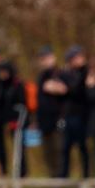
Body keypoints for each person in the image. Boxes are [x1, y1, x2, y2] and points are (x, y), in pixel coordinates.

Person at [0, 60, 27, 175]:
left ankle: (21, 172)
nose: (3, 75)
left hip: (15, 119)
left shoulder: (17, 84)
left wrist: (16, 119)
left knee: (18, 147)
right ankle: (2, 170)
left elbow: (22, 104)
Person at [58, 46, 89, 178]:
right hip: (69, 115)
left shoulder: (86, 72)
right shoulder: (65, 73)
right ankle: (64, 176)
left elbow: (76, 90)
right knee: (65, 147)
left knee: (83, 147)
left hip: (82, 115)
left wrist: (68, 89)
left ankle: (86, 175)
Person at [35, 46, 65, 177]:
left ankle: (60, 177)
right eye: (42, 59)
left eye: (46, 58)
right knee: (47, 152)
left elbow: (65, 90)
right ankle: (52, 177)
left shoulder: (59, 73)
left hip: (57, 119)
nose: (44, 61)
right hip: (44, 120)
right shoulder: (41, 76)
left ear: (53, 57)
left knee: (58, 149)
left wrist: (55, 87)